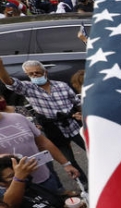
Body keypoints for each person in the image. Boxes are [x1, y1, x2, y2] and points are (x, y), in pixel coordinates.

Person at [0, 59, 83, 189]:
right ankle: (84, 183)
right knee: (69, 159)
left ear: (45, 72)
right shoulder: (29, 88)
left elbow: (77, 103)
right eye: (31, 74)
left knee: (90, 149)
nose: (35, 76)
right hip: (54, 130)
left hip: (73, 125)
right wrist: (1, 67)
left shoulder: (62, 85)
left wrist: (82, 115)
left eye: (37, 73)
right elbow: (9, 82)